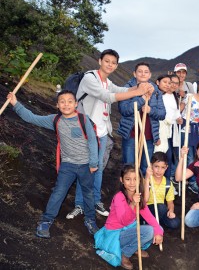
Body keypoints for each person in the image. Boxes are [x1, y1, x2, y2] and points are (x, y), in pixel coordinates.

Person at [68, 49, 152, 219]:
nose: (110, 65)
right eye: (107, 61)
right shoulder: (90, 78)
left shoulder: (107, 81)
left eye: (113, 63)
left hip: (102, 130)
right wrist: (137, 92)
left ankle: (96, 201)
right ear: (100, 61)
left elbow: (120, 89)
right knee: (85, 167)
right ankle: (79, 204)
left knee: (98, 168)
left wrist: (141, 87)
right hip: (87, 130)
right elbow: (107, 97)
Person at [7, 91, 99, 238]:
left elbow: (92, 141)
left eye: (70, 101)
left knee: (88, 193)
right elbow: (31, 118)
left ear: (76, 104)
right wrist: (15, 104)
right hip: (67, 165)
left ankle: (90, 220)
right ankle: (46, 220)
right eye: (62, 101)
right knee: (58, 192)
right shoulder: (55, 120)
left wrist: (94, 162)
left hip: (86, 165)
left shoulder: (83, 119)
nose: (66, 104)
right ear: (57, 105)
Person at [94, 164, 164, 269]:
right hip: (115, 234)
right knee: (148, 231)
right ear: (122, 180)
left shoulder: (138, 196)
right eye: (128, 179)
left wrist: (159, 232)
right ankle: (125, 254)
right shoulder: (119, 197)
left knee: (157, 229)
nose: (132, 183)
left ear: (140, 180)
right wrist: (132, 204)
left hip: (128, 230)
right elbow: (124, 221)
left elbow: (149, 216)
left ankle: (134, 246)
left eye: (135, 179)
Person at [117, 62, 166, 175]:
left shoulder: (156, 91)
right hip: (131, 135)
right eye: (140, 71)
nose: (143, 74)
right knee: (129, 168)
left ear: (150, 75)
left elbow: (162, 114)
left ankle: (144, 192)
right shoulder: (126, 88)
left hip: (148, 136)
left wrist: (150, 110)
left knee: (145, 168)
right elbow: (124, 110)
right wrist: (142, 98)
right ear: (135, 73)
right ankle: (128, 192)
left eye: (146, 72)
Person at [155, 74, 182, 182]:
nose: (173, 85)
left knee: (169, 158)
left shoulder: (175, 97)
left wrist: (179, 119)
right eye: (171, 82)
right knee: (161, 157)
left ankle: (166, 183)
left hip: (171, 131)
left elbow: (176, 114)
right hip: (162, 131)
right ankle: (158, 182)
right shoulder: (160, 96)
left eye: (176, 83)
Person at [145, 152, 180, 229]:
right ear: (151, 166)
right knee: (161, 207)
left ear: (166, 167)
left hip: (161, 210)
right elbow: (144, 200)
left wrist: (171, 211)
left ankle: (155, 222)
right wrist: (147, 179)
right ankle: (151, 222)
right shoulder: (146, 181)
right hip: (146, 210)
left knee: (175, 223)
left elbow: (170, 203)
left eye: (162, 167)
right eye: (156, 166)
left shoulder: (168, 183)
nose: (159, 170)